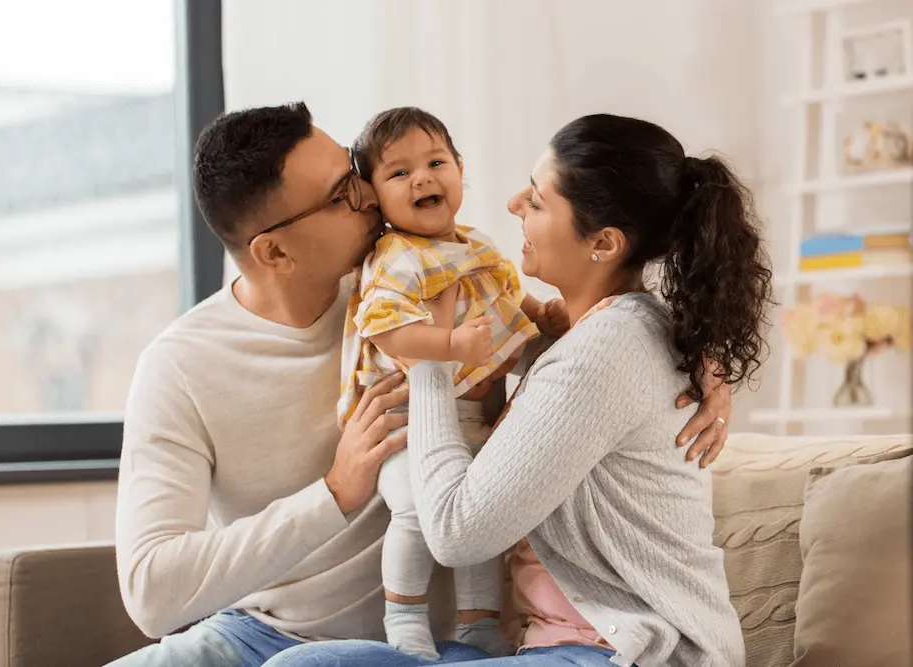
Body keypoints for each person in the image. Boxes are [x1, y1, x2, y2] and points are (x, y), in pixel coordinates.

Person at [107, 103, 734, 667]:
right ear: (273, 253)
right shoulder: (182, 364)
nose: (372, 195)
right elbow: (153, 595)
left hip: (431, 644)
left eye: (357, 172)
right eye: (342, 194)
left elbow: (592, 343)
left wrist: (704, 354)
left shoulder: (434, 287)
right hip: (254, 632)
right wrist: (335, 493)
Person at [263, 113, 772, 667]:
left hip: (632, 652)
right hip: (561, 649)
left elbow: (456, 534)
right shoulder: (605, 331)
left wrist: (431, 359)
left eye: (535, 199)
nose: (511, 205)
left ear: (602, 242)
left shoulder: (603, 350)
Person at [340, 107, 568, 660]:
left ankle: (479, 622)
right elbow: (391, 334)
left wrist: (544, 314)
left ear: (460, 170)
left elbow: (508, 303)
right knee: (418, 510)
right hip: (402, 425)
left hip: (472, 422)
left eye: (436, 161)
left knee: (480, 518)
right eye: (398, 173)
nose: (422, 178)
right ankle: (404, 615)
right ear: (373, 198)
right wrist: (448, 347)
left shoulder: (479, 245)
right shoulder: (395, 257)